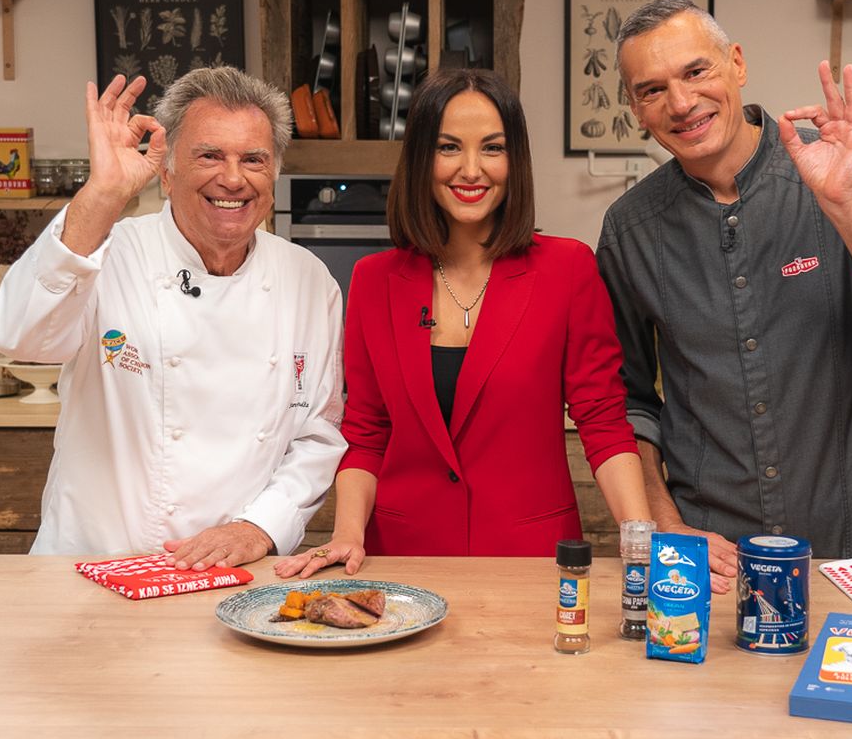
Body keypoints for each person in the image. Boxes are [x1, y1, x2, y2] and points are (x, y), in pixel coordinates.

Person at [596, 0, 852, 590]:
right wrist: (665, 526)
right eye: (652, 90)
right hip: (714, 566)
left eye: (696, 71)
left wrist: (845, 208)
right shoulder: (631, 230)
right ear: (636, 108)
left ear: (737, 63)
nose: (682, 103)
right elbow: (625, 401)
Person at [276, 69, 651, 578]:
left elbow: (602, 421)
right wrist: (346, 534)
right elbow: (367, 431)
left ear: (515, 160)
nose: (471, 170)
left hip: (533, 561)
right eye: (448, 147)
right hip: (402, 562)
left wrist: (643, 544)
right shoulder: (373, 280)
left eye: (492, 148)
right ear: (421, 158)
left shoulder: (568, 269)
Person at [0, 67, 346, 569]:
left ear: (274, 175)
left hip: (230, 576)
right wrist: (103, 194)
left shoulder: (308, 279)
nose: (233, 179)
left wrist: (260, 526)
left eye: (253, 159)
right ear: (167, 171)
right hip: (91, 568)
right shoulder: (107, 251)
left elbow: (317, 435)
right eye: (209, 156)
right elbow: (17, 337)